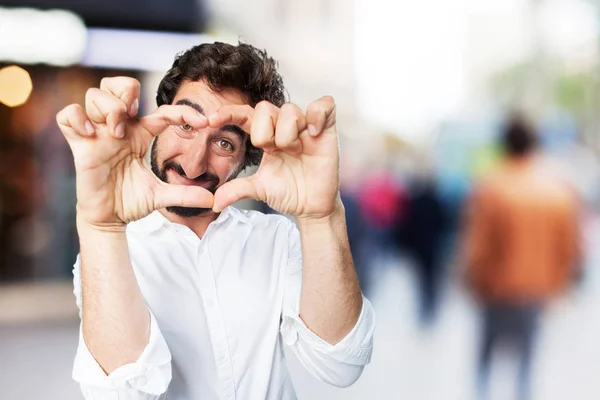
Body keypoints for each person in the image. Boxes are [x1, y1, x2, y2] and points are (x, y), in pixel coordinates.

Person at [56, 42, 375, 400]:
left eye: (224, 143)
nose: (193, 164)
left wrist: (322, 217)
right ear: (159, 119)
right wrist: (102, 227)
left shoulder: (276, 239)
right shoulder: (110, 251)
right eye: (185, 125)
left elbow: (342, 364)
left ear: (247, 159)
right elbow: (119, 395)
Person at [463, 114, 580, 400]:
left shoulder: (490, 186)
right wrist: (559, 286)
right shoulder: (557, 190)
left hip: (496, 289)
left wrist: (470, 280)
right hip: (537, 290)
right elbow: (569, 248)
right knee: (527, 360)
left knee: (486, 357)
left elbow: (478, 244)